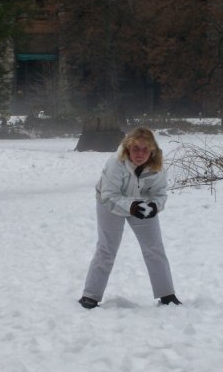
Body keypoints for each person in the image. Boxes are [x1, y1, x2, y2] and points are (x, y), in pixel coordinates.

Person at [78, 126, 181, 309]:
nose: (140, 154)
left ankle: (167, 295)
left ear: (152, 151)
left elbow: (160, 194)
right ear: (127, 148)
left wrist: (154, 206)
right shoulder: (115, 163)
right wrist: (132, 206)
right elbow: (109, 195)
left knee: (154, 248)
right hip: (108, 204)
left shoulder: (157, 168)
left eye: (145, 149)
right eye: (135, 149)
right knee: (106, 249)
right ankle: (90, 296)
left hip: (141, 205)